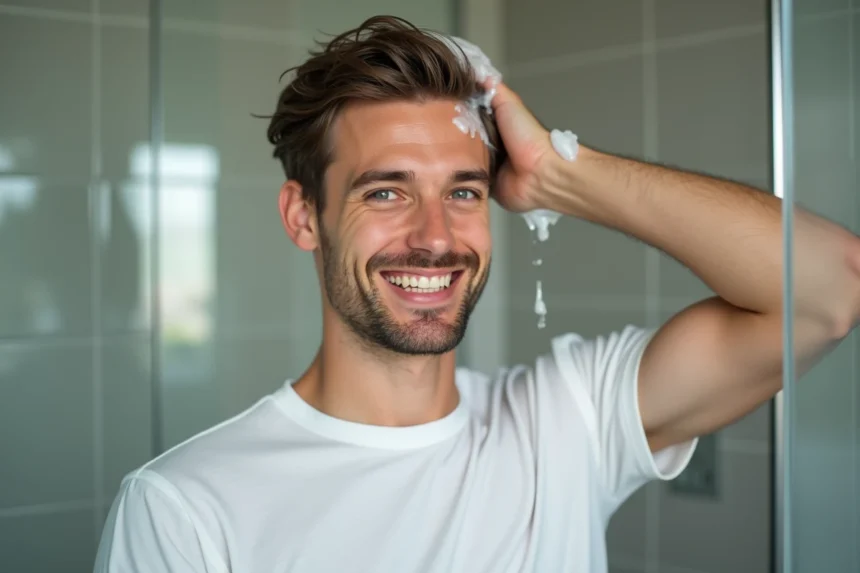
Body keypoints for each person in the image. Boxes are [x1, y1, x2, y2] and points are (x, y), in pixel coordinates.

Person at [94, 15, 860, 573]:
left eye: (463, 192)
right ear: (305, 216)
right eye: (386, 193)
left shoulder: (565, 421)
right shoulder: (185, 508)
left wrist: (560, 172)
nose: (434, 236)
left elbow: (828, 290)